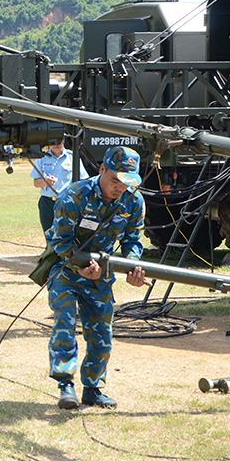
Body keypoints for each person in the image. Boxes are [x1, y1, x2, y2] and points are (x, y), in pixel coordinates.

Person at [46, 146, 150, 410]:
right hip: (66, 273)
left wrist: (132, 266)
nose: (120, 187)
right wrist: (79, 267)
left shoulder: (134, 202)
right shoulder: (75, 196)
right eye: (115, 180)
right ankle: (65, 385)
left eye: (127, 182)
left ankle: (92, 389)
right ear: (101, 169)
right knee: (65, 325)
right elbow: (60, 241)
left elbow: (132, 241)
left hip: (100, 277)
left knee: (101, 333)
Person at [30, 137, 89, 240]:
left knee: (67, 234)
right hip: (47, 203)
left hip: (67, 203)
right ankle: (50, 254)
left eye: (58, 141)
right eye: (52, 141)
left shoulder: (73, 157)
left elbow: (84, 180)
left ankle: (67, 255)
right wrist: (45, 180)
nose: (56, 144)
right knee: (49, 234)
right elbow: (36, 183)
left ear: (64, 140)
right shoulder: (41, 158)